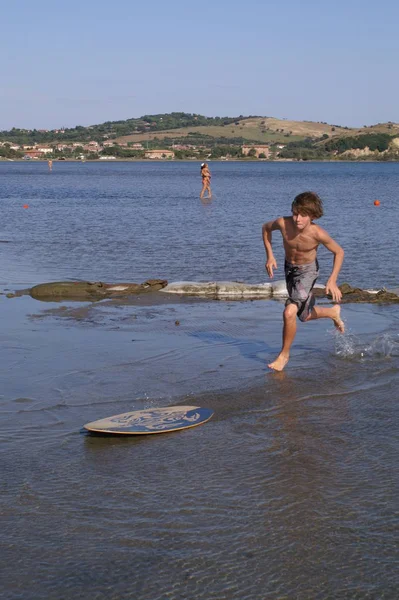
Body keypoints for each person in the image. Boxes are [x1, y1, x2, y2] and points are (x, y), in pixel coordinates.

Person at [262, 191, 345, 371]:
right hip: (289, 269)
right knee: (304, 316)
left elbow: (339, 252)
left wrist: (332, 280)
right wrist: (269, 255)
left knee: (289, 312)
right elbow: (266, 229)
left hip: (308, 272)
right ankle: (332, 313)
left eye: (303, 215)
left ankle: (284, 355)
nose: (297, 218)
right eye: (295, 213)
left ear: (313, 216)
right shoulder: (283, 224)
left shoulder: (318, 233)